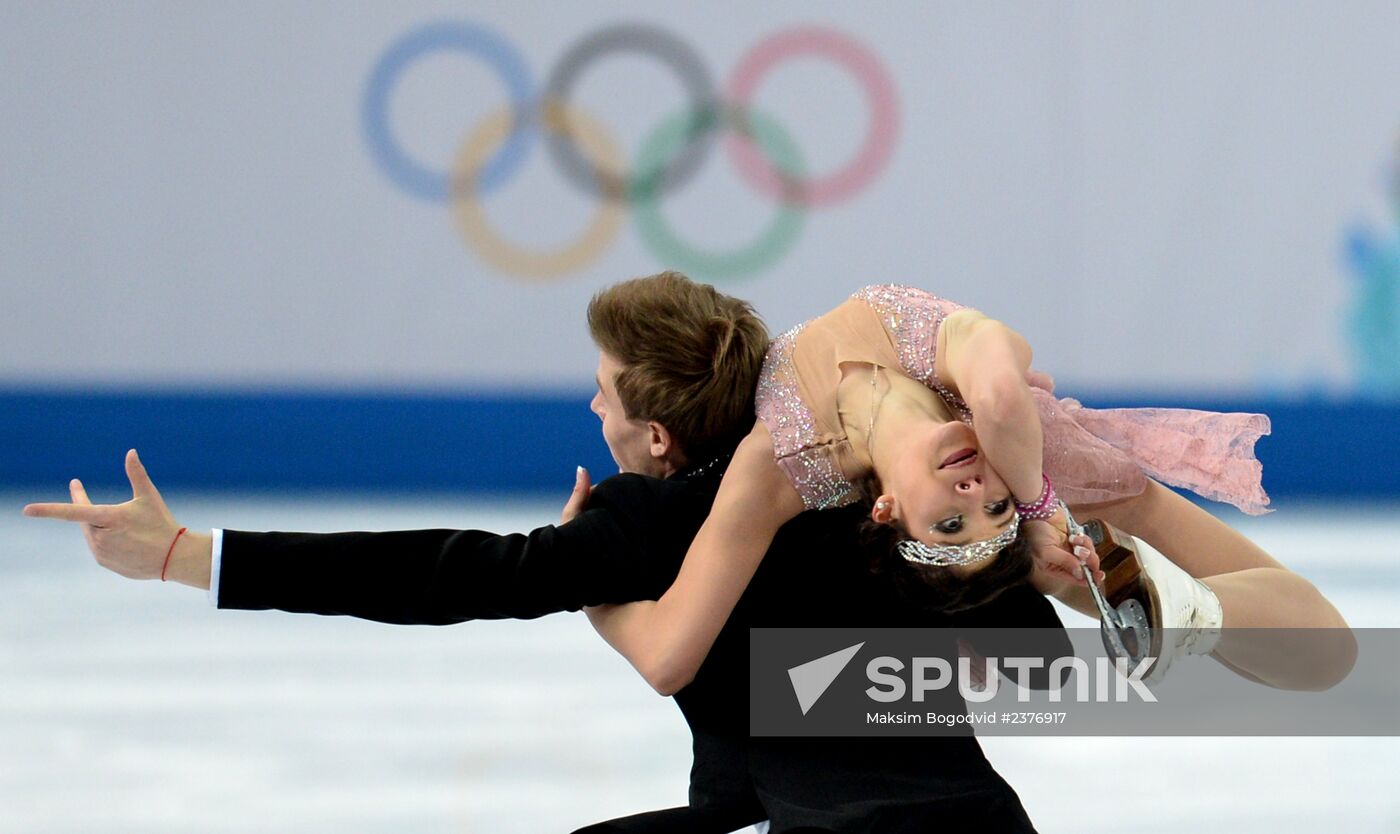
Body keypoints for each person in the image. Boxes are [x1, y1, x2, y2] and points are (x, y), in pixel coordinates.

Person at [24, 273, 1068, 834]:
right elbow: (1036, 665)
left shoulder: (647, 525)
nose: (590, 403)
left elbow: (440, 573)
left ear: (654, 437)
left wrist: (191, 557)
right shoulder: (885, 495)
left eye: (603, 390)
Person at [584, 283, 1356, 698]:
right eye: (986, 513)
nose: (977, 492)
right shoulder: (777, 471)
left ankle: (1185, 613)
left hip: (1049, 485)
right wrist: (596, 588)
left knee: (1321, 656)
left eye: (950, 518)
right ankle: (1177, 609)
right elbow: (667, 661)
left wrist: (1033, 507)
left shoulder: (794, 442)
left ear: (885, 508)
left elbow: (1000, 399)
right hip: (1055, 508)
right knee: (1329, 654)